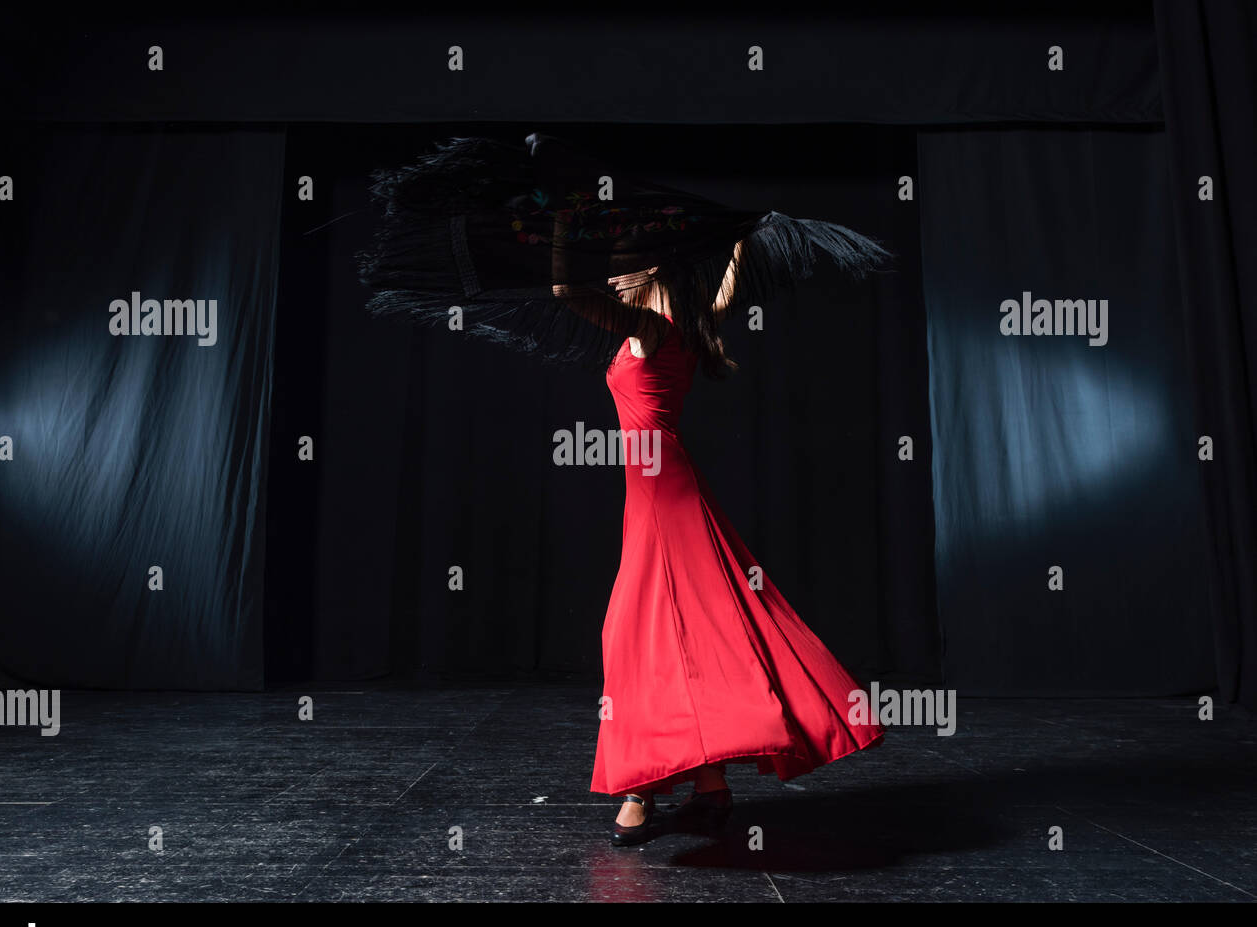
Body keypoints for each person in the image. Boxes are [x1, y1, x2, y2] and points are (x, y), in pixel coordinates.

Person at [358, 132, 891, 847]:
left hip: (664, 491)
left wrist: (559, 234)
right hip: (662, 488)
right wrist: (740, 239)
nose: (610, 278)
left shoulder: (644, 326)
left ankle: (639, 792)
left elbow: (563, 290)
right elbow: (727, 281)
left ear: (646, 279)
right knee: (686, 626)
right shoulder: (688, 327)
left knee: (637, 632)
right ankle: (709, 786)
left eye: (620, 270)